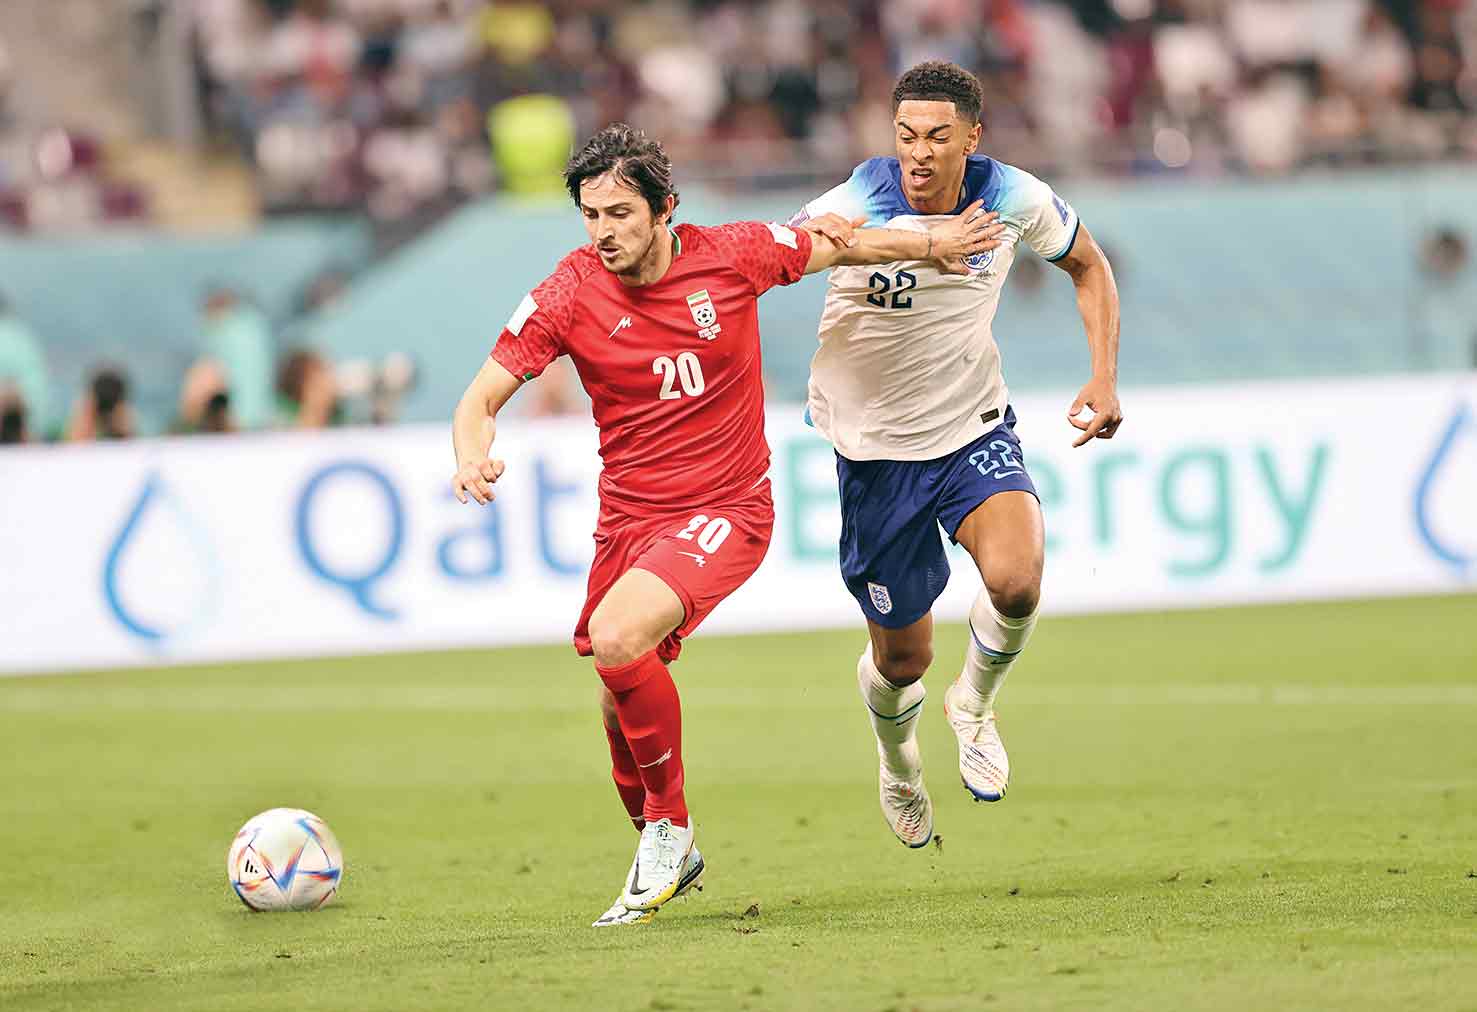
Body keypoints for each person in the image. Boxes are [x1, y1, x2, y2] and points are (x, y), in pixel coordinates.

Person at [450, 122, 1004, 927]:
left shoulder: (731, 255)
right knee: (616, 697)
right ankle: (665, 843)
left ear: (664, 208)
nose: (603, 232)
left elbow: (835, 244)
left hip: (725, 508)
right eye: (591, 215)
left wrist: (930, 242)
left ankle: (668, 831)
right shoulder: (568, 292)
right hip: (628, 522)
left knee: (616, 639)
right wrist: (472, 454)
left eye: (620, 214)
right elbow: (480, 398)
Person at [790, 61, 1123, 848]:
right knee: (902, 660)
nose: (919, 151)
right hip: (874, 454)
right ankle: (898, 762)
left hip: (971, 428)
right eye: (906, 135)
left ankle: (972, 705)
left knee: (1016, 579)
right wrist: (916, 243)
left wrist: (1103, 375)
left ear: (971, 136)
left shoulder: (1011, 196)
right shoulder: (858, 197)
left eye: (938, 136)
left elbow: (1088, 264)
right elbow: (784, 254)